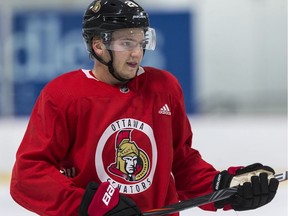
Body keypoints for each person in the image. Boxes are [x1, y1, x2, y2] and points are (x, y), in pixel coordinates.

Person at [10, 0, 279, 215]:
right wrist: (88, 204)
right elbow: (28, 177)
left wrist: (226, 188)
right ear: (99, 46)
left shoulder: (164, 86)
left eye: (140, 41)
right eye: (126, 43)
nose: (137, 53)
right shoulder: (63, 94)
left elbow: (182, 162)